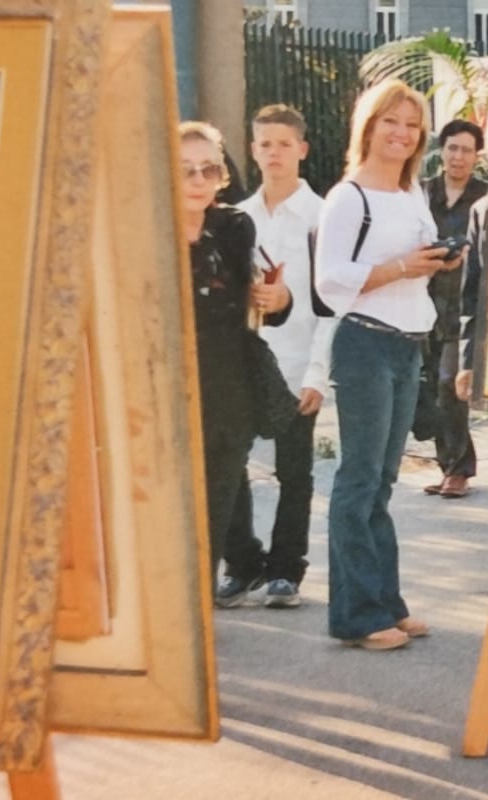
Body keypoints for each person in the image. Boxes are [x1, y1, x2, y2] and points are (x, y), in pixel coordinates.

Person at [311, 81, 450, 651]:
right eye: (390, 121)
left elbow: (413, 261)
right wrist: (397, 268)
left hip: (406, 342)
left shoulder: (412, 190)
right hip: (365, 342)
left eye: (412, 125)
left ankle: (384, 603)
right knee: (360, 478)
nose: (401, 133)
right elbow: (328, 280)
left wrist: (438, 259)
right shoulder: (348, 196)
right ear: (367, 127)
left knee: (383, 482)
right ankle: (357, 615)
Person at [179, 121, 295, 610]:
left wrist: (278, 298)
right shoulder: (144, 231)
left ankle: (194, 613)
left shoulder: (233, 227)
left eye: (209, 168)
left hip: (228, 384)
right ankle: (243, 560)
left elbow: (259, 306)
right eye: (186, 170)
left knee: (213, 496)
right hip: (169, 384)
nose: (199, 179)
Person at [226, 105, 331, 608]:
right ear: (252, 150)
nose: (274, 153)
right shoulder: (237, 219)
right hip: (245, 363)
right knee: (230, 465)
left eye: (284, 144)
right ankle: (243, 563)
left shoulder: (321, 217)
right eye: (265, 144)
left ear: (302, 150)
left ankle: (287, 568)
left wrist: (317, 372)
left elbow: (330, 306)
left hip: (294, 363)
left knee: (295, 472)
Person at [423, 118, 488, 500]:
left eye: (466, 150)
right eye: (452, 148)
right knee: (432, 386)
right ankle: (447, 462)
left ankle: (459, 470)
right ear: (441, 150)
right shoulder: (422, 193)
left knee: (450, 381)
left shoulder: (484, 197)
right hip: (423, 301)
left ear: (476, 156)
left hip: (463, 306)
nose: (458, 157)